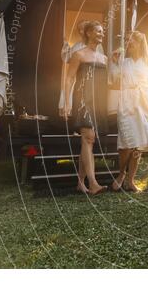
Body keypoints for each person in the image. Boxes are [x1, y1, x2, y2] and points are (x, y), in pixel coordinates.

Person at [108, 31, 148, 192]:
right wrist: (113, 63)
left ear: (140, 43)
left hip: (144, 103)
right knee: (126, 143)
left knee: (138, 145)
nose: (128, 42)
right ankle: (121, 175)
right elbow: (113, 83)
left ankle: (131, 180)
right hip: (126, 103)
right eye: (126, 40)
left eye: (131, 40)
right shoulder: (123, 62)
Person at [60, 20, 108, 195]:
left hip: (98, 103)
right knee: (88, 138)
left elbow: (110, 82)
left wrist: (117, 63)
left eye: (102, 31)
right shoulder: (79, 54)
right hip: (82, 100)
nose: (101, 34)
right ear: (88, 33)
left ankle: (80, 183)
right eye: (98, 31)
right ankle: (93, 183)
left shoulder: (104, 58)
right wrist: (66, 103)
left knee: (87, 141)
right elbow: (69, 78)